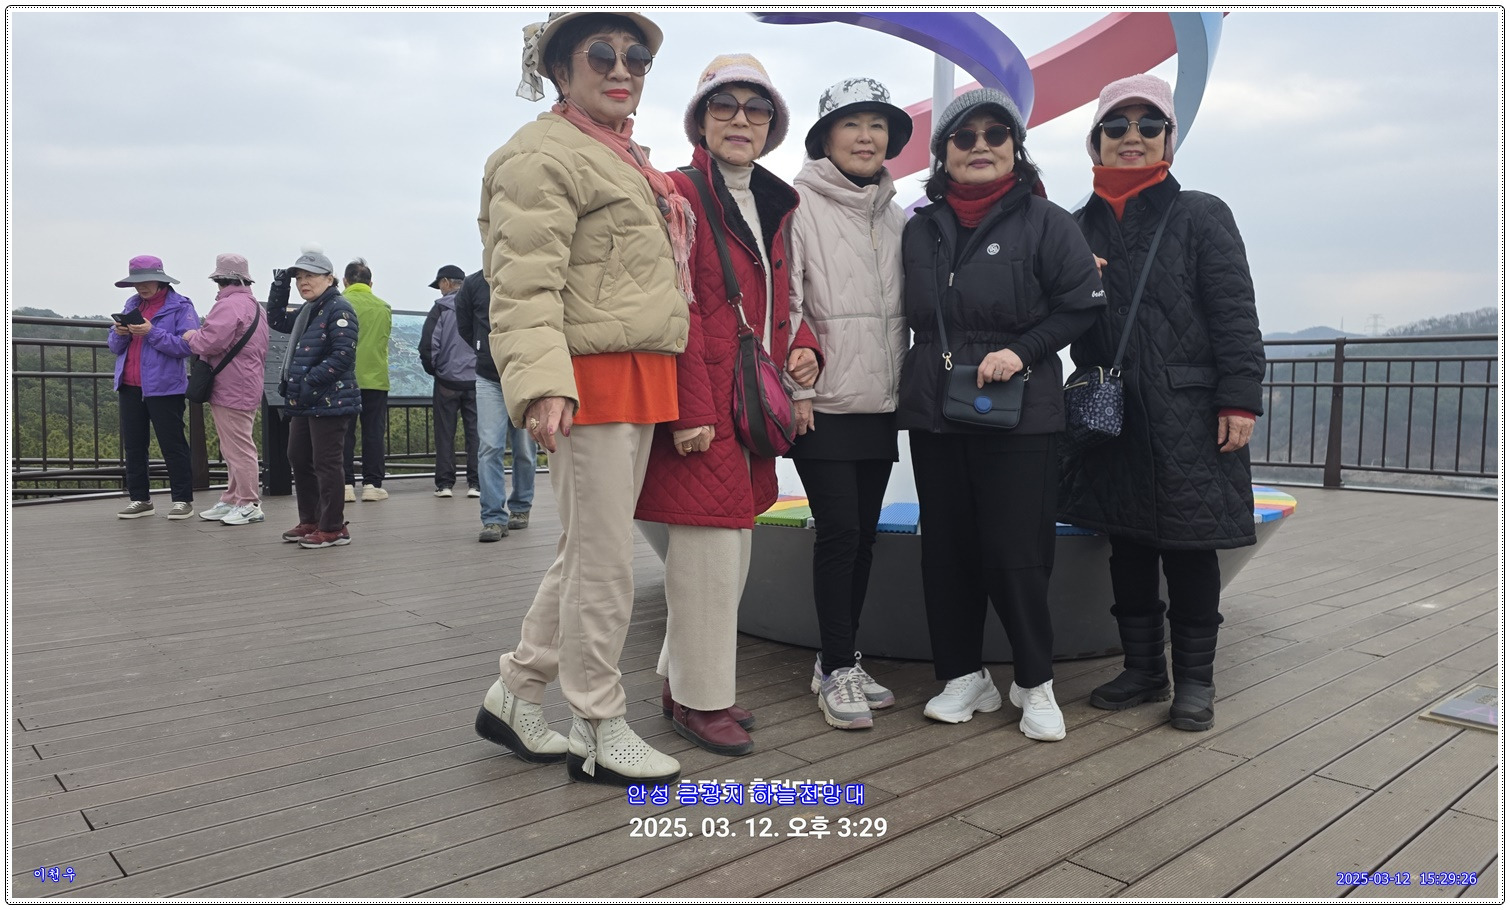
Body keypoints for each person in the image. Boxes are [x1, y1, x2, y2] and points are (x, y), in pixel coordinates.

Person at [473, 10, 691, 787]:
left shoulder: (617, 154)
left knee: (585, 553)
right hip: (588, 381)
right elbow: (522, 282)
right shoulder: (541, 155)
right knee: (602, 563)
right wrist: (541, 385)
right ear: (561, 70)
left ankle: (516, 692)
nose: (621, 67)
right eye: (601, 54)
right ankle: (598, 723)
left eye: (636, 57)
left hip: (636, 373)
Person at [897, 88, 1105, 741]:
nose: (980, 146)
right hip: (937, 410)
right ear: (944, 153)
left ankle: (1035, 682)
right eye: (965, 137)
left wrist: (1023, 350)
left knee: (1018, 553)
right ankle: (963, 675)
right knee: (946, 551)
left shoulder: (1047, 222)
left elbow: (1081, 305)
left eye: (996, 134)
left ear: (1016, 148)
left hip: (1022, 413)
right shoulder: (920, 228)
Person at [1059, 74, 1265, 732]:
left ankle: (1195, 681)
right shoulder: (1074, 228)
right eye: (1116, 125)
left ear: (1169, 139)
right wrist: (1073, 288)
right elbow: (1057, 326)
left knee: (1192, 547)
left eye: (1150, 125)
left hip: (1190, 413)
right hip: (1113, 414)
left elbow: (1234, 314)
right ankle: (1144, 669)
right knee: (1127, 546)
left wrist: (1239, 399)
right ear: (1094, 140)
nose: (1133, 136)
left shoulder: (1201, 214)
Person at [635, 53, 820, 757]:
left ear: (773, 125)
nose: (741, 119)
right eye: (724, 105)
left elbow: (784, 299)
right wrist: (689, 410)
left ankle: (682, 681)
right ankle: (699, 700)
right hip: (706, 405)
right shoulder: (678, 193)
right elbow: (673, 307)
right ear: (700, 119)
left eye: (757, 108)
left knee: (729, 552)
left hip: (746, 401)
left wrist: (805, 351)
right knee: (709, 556)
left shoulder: (769, 200)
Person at [785, 77, 912, 731]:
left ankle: (840, 659)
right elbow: (786, 302)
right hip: (824, 402)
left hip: (881, 403)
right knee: (838, 534)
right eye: (852, 124)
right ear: (825, 137)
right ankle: (835, 667)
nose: (867, 137)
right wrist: (799, 388)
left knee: (863, 538)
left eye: (877, 125)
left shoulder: (896, 214)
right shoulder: (798, 204)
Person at [267, 245, 361, 549]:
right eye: (298, 277)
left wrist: (309, 381)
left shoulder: (339, 308)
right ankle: (311, 520)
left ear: (330, 278)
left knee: (326, 463)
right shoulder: (310, 309)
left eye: (311, 276)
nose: (303, 282)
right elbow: (276, 320)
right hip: (306, 400)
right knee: (299, 456)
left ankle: (333, 527)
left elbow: (343, 354)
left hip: (330, 400)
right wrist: (279, 286)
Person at [108, 255, 200, 520]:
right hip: (129, 385)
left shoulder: (181, 306)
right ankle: (140, 499)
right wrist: (119, 333)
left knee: (173, 445)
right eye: (136, 282)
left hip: (165, 387)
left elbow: (187, 346)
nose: (141, 286)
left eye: (146, 281)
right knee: (134, 446)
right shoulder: (132, 304)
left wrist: (151, 332)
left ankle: (182, 500)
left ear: (160, 280)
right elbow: (114, 347)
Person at [183, 254, 271, 526]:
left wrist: (191, 337)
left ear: (219, 279)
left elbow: (208, 342)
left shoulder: (228, 306)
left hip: (232, 385)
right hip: (246, 382)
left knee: (239, 448)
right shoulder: (255, 307)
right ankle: (232, 498)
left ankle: (249, 503)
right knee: (233, 446)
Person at [456, 268, 538, 543]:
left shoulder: (526, 274)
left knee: (525, 448)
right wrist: (483, 349)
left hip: (524, 375)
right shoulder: (473, 284)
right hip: (488, 377)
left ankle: (521, 506)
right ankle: (493, 517)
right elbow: (465, 326)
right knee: (489, 446)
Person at [419, 265, 479, 498]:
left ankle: (445, 485)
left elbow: (428, 346)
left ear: (446, 282)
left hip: (447, 381)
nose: (440, 290)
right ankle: (476, 484)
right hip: (475, 380)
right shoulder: (477, 307)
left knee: (445, 434)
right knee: (476, 433)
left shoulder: (440, 309)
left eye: (440, 285)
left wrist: (436, 370)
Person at [340, 258, 392, 502]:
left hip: (344, 379)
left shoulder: (338, 304)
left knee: (343, 434)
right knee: (373, 433)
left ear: (345, 281)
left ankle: (345, 485)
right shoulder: (383, 307)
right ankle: (372, 485)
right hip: (376, 379)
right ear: (371, 283)